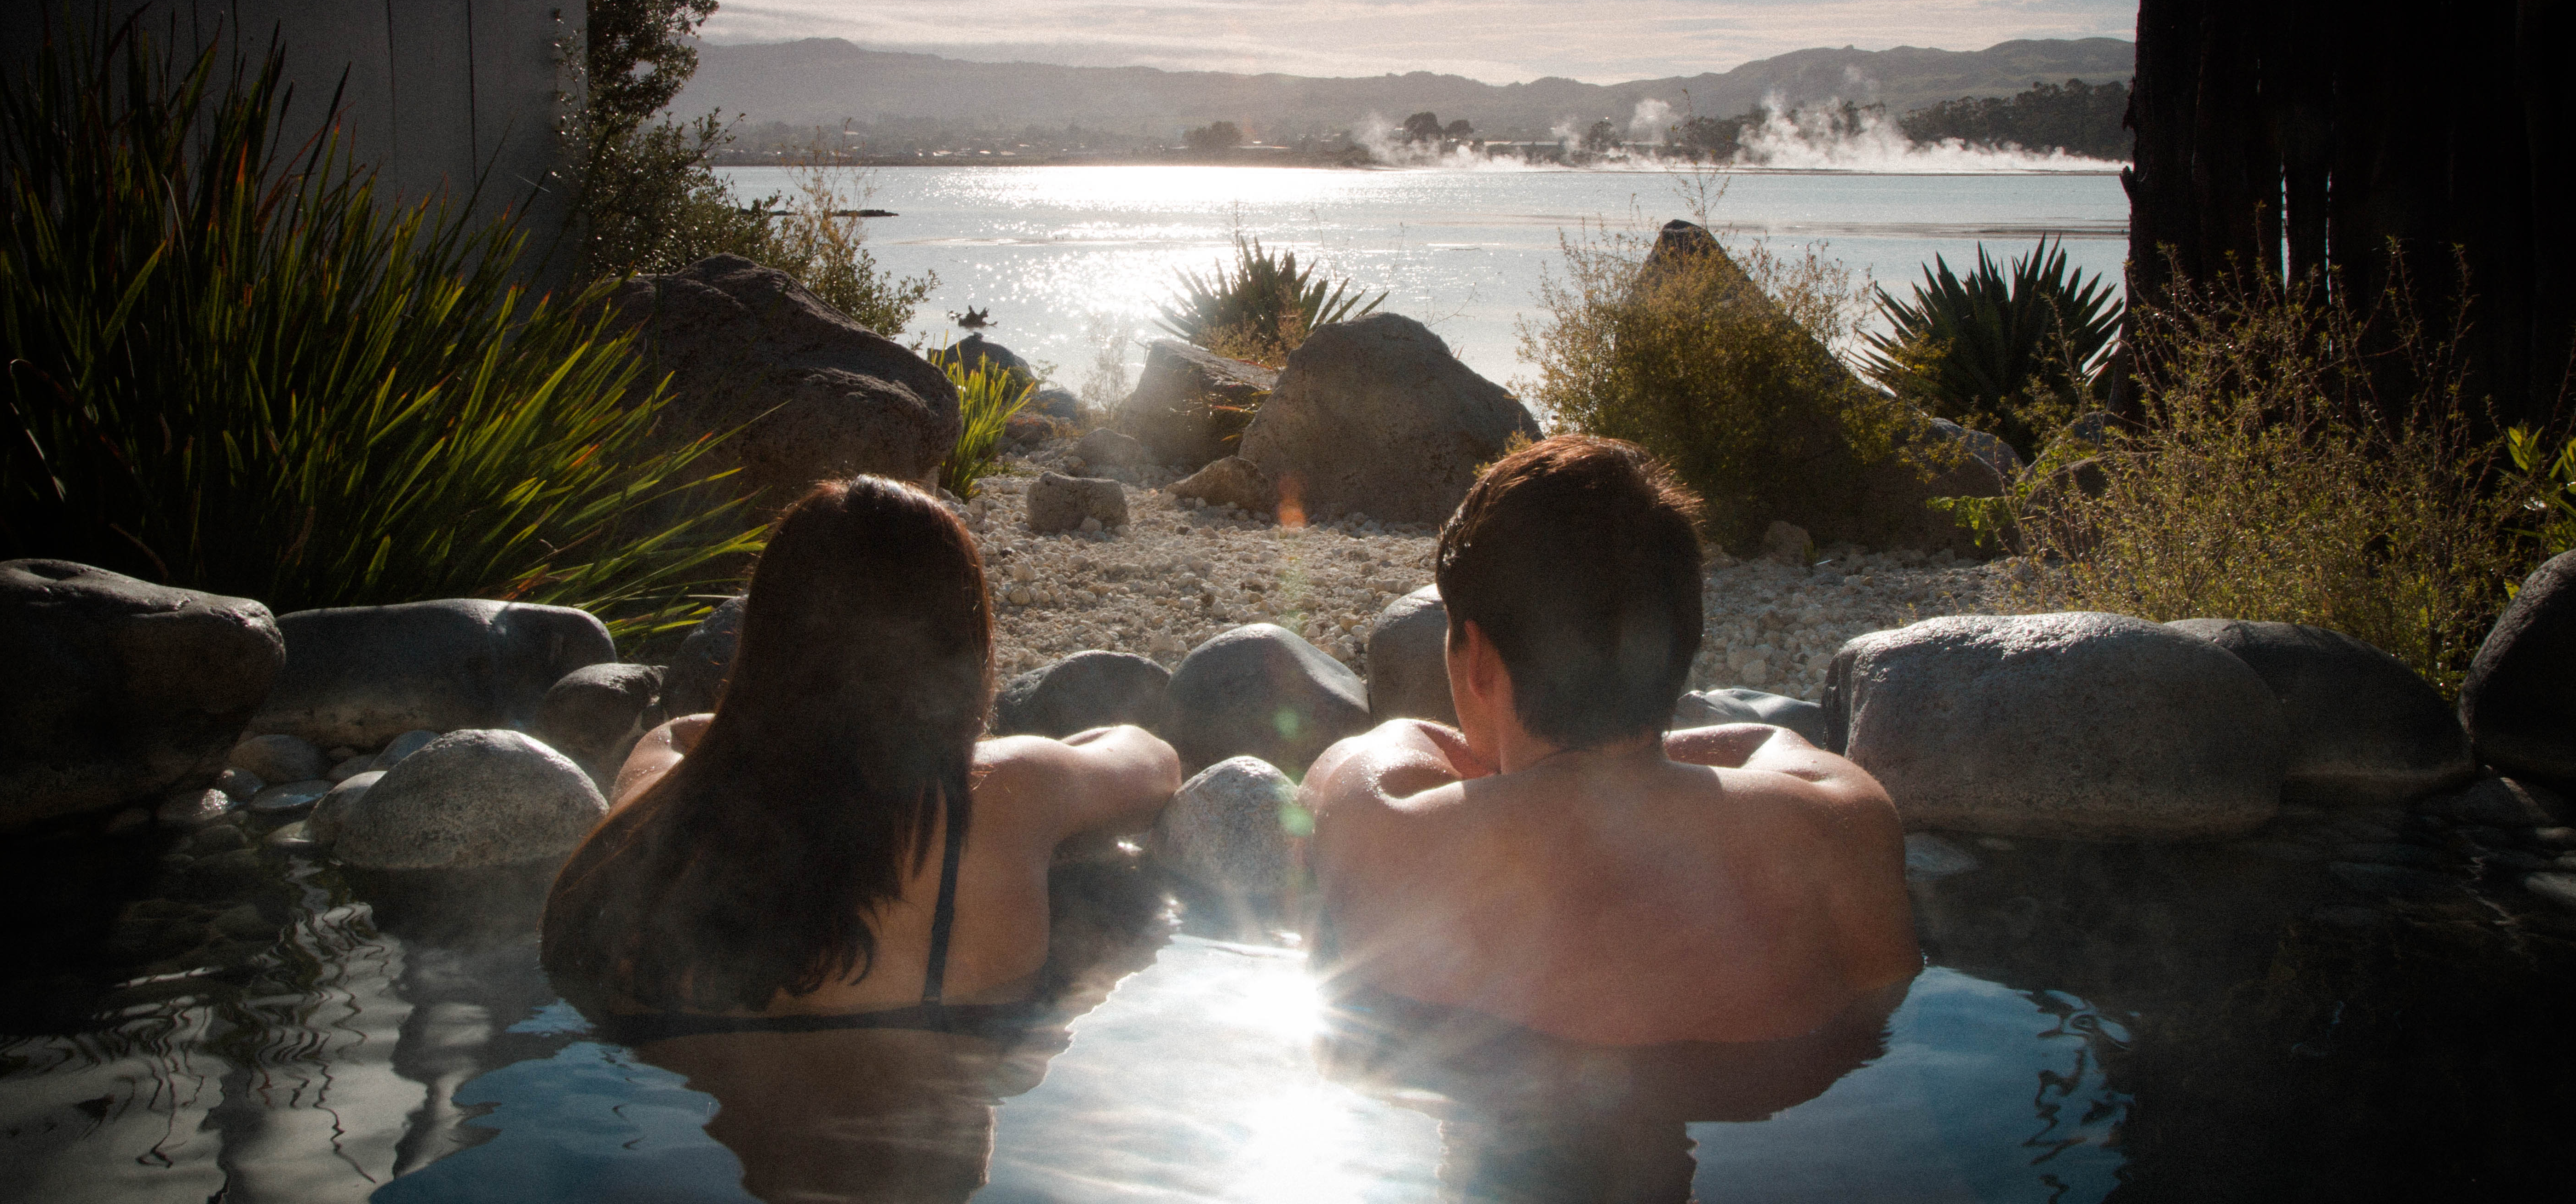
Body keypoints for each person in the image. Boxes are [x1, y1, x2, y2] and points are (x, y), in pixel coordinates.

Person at [1302, 436, 1919, 1048]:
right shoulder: (1846, 822)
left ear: (1480, 659)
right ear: (1680, 640)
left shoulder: (1378, 819)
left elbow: (1384, 747)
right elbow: (1767, 741)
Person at [541, 474, 1181, 1041]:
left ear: (764, 639)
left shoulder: (657, 804)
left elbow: (684, 733)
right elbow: (1154, 761)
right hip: (919, 1108)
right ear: (960, 647)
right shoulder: (1013, 794)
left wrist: (784, 722)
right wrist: (974, 757)